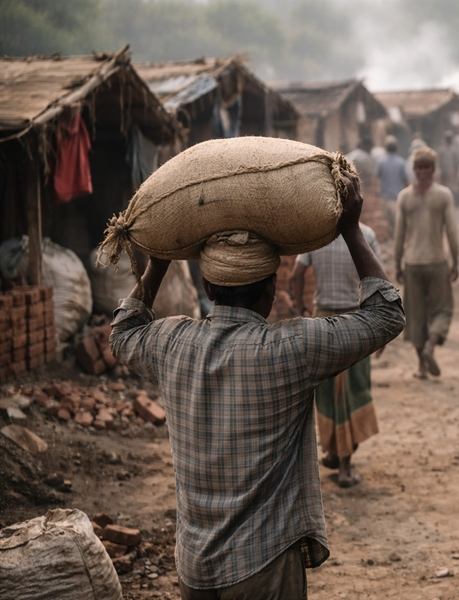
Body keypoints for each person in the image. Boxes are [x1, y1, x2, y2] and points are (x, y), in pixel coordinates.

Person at [109, 176, 405, 599]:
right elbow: (387, 315)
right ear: (271, 287)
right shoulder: (292, 348)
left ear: (208, 289)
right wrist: (351, 230)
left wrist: (159, 262)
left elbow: (122, 332)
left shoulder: (172, 342)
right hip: (263, 566)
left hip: (195, 566)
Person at [290, 222, 383, 488]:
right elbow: (379, 278)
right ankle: (344, 466)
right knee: (353, 392)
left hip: (323, 321)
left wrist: (301, 306)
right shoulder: (366, 236)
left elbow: (296, 274)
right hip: (357, 320)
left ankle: (333, 453)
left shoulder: (317, 234)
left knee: (328, 393)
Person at [395, 146, 459, 379]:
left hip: (413, 263)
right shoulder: (443, 195)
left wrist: (397, 263)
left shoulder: (404, 196)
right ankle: (431, 346)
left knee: (416, 315)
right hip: (436, 261)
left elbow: (399, 235)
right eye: (420, 167)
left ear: (431, 169)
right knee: (442, 308)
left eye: (425, 167)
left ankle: (422, 366)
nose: (422, 171)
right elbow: (452, 231)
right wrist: (456, 261)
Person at [377, 135, 408, 233]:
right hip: (397, 197)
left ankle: (391, 242)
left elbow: (376, 179)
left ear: (386, 148)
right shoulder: (401, 162)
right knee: (397, 223)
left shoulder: (381, 162)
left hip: (384, 197)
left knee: (386, 223)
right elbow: (405, 180)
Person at [437, 130, 459, 194]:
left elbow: (457, 162)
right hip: (444, 172)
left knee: (453, 187)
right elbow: (439, 162)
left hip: (453, 171)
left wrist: (456, 173)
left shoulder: (455, 149)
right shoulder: (442, 149)